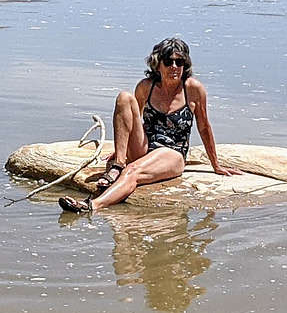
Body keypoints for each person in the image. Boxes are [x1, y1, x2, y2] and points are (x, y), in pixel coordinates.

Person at [59, 37, 238, 213]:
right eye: (168, 61)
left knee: (133, 170)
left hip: (172, 153)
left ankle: (92, 206)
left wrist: (216, 165)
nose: (174, 67)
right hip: (146, 146)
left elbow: (204, 127)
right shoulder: (146, 87)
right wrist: (122, 147)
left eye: (179, 61)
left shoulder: (193, 89)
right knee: (124, 97)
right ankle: (118, 164)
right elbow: (131, 119)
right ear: (158, 64)